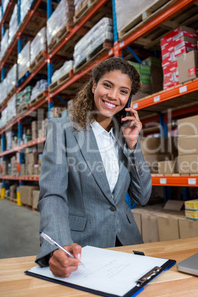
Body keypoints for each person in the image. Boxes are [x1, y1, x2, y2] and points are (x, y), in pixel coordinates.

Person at [35, 57, 152, 277]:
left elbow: (143, 195)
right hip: (82, 248)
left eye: (123, 91)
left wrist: (133, 145)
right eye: (107, 85)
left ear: (128, 98)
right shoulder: (63, 130)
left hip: (127, 244)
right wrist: (58, 245)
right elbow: (53, 194)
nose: (113, 96)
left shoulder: (124, 134)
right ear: (94, 86)